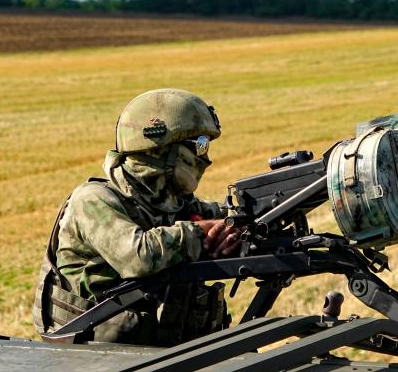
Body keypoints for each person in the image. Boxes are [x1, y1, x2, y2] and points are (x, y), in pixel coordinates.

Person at [33, 88, 243, 345]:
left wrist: (241, 223)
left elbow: (218, 216)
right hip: (90, 354)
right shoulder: (92, 200)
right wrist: (201, 233)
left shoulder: (167, 200)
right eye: (199, 145)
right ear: (160, 149)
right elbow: (138, 256)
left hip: (146, 349)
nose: (205, 158)